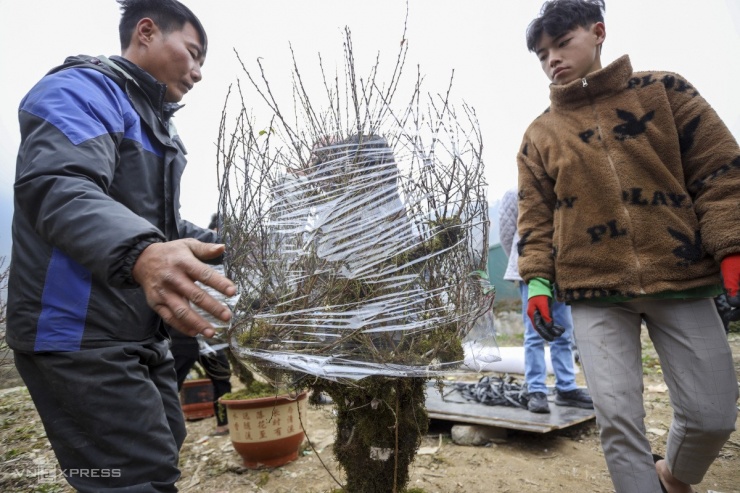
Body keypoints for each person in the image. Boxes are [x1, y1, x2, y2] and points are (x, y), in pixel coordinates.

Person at [7, 1, 236, 491]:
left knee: (158, 448)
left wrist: (226, 245)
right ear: (147, 32)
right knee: (134, 476)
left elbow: (161, 227)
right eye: (193, 54)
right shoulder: (81, 91)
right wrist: (142, 252)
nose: (197, 73)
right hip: (75, 330)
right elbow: (58, 183)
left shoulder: (158, 127)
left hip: (135, 329)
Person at [517, 1, 739, 492]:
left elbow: (720, 172)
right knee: (618, 423)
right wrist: (536, 283)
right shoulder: (540, 134)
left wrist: (732, 247)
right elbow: (534, 218)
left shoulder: (665, 91)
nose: (552, 58)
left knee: (713, 416)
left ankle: (673, 476)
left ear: (598, 33)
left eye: (563, 43)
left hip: (678, 275)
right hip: (594, 288)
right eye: (542, 53)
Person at [499, 188, 592, 414]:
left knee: (563, 330)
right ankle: (536, 389)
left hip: (563, 268)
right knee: (535, 332)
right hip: (532, 271)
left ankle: (566, 388)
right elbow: (507, 232)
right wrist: (524, 264)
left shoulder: (564, 186)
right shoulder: (515, 192)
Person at [168, 212, 233, 436]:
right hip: (183, 330)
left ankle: (223, 423)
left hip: (212, 335)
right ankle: (160, 428)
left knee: (222, 379)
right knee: (170, 381)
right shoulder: (192, 249)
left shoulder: (229, 260)